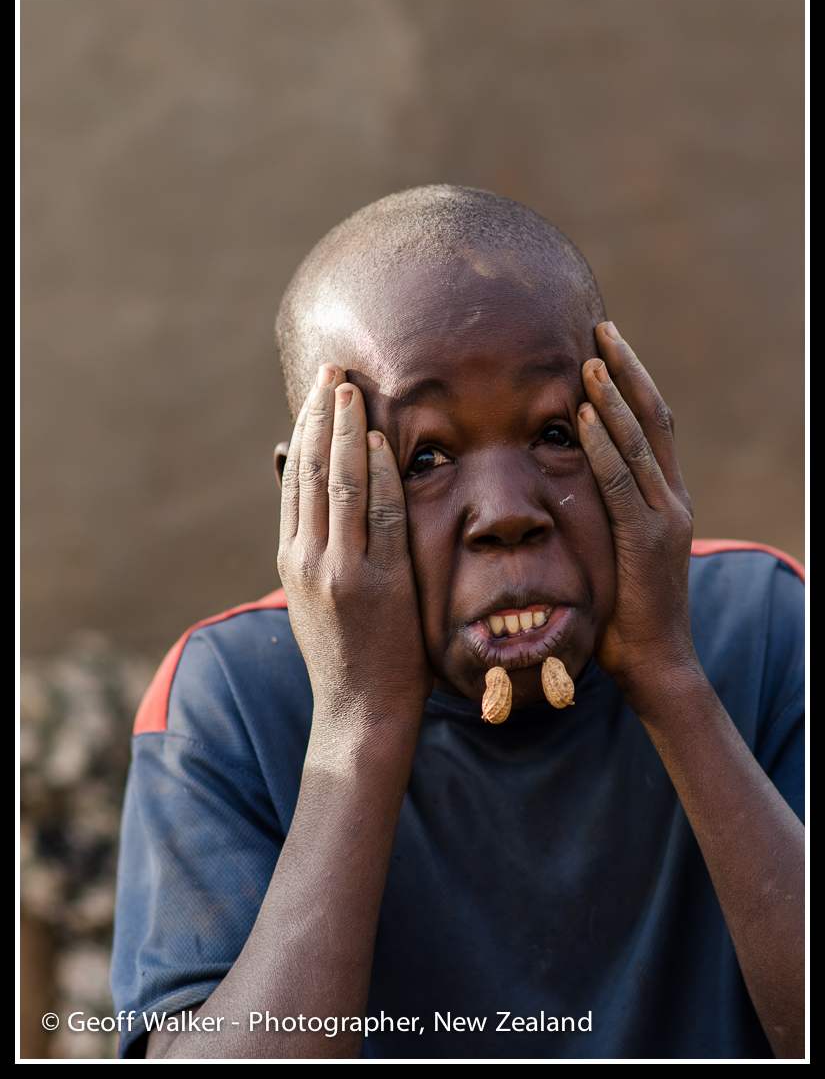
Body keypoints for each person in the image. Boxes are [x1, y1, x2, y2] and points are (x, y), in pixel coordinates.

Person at [110, 185, 805, 1060]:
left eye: (555, 434)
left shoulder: (763, 623)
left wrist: (669, 675)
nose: (506, 512)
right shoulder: (233, 694)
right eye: (426, 457)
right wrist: (360, 722)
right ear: (315, 495)